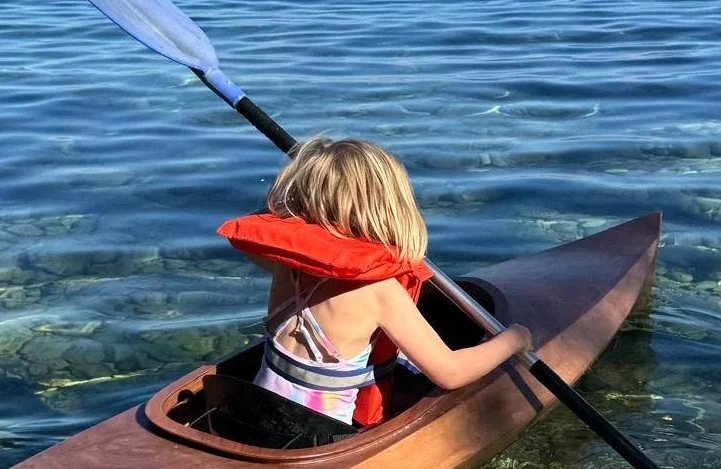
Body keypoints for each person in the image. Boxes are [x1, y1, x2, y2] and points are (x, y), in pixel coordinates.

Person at [218, 136, 533, 427]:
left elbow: (268, 220)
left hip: (255, 414)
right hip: (316, 438)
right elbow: (450, 372)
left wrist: (305, 193)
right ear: (391, 209)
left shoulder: (287, 265)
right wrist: (513, 340)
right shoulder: (378, 291)